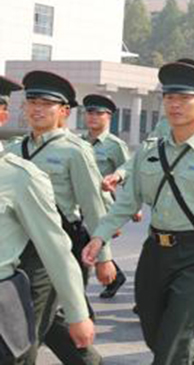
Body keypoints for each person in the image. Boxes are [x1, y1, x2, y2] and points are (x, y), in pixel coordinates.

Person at [82, 61, 194, 364]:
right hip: (154, 253)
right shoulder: (149, 150)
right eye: (169, 98)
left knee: (171, 345)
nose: (175, 105)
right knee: (155, 335)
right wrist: (99, 236)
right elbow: (127, 201)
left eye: (184, 98)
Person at [5, 71, 115, 365]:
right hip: (16, 246)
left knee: (27, 331)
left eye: (46, 104)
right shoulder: (14, 149)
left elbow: (93, 207)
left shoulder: (75, 151)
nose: (37, 109)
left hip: (51, 249)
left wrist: (105, 257)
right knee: (46, 319)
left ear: (63, 112)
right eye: (32, 102)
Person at [81, 94, 132, 299]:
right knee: (85, 242)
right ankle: (113, 274)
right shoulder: (78, 142)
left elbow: (128, 174)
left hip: (102, 204)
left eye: (98, 113)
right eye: (89, 112)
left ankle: (108, 273)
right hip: (78, 204)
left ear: (108, 117)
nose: (93, 117)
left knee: (93, 241)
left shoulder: (115, 145)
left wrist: (133, 207)